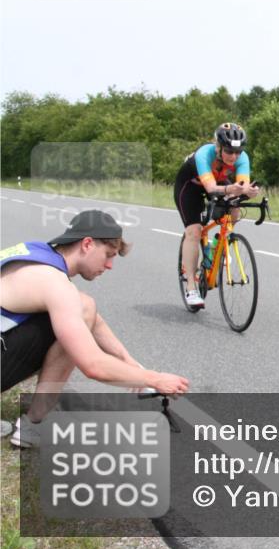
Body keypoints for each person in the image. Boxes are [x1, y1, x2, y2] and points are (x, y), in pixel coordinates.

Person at [1, 210, 190, 447]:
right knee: (74, 324)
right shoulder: (55, 284)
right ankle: (35, 424)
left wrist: (131, 364)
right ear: (87, 244)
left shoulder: (37, 255)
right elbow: (93, 365)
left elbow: (92, 317)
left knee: (84, 307)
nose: (109, 265)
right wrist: (156, 378)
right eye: (108, 255)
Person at [174, 123, 260, 308]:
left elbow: (242, 185)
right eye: (229, 151)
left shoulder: (242, 158)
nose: (234, 156)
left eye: (238, 151)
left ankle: (215, 246)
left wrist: (249, 192)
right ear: (218, 147)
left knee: (235, 208)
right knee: (194, 232)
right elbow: (211, 188)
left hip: (220, 183)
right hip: (190, 187)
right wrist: (231, 189)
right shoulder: (205, 154)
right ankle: (191, 287)